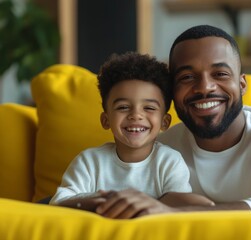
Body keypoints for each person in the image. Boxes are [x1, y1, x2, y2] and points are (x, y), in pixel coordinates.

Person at [92, 25, 251, 217]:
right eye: (187, 77)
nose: (205, 87)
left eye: (220, 74)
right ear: (172, 92)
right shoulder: (161, 149)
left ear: (242, 84)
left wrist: (178, 212)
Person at [49, 52, 214, 218]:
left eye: (149, 108)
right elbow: (58, 203)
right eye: (123, 107)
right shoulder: (89, 161)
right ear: (106, 120)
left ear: (165, 122)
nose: (136, 115)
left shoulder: (169, 162)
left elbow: (178, 212)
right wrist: (108, 200)